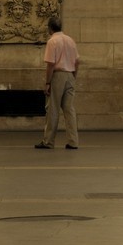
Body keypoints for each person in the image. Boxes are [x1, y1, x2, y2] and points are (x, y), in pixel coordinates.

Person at [35, 15, 80, 149]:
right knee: (69, 110)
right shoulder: (70, 40)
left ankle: (48, 141)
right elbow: (77, 61)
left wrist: (47, 83)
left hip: (58, 76)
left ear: (50, 28)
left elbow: (51, 64)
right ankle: (73, 141)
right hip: (70, 75)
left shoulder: (52, 41)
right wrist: (73, 76)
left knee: (53, 109)